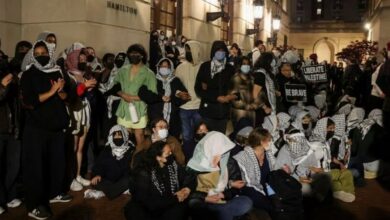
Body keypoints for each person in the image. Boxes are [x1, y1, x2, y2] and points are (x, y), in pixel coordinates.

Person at [20, 40, 72, 219]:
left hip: (56, 129)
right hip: (37, 130)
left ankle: (54, 193)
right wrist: (52, 91)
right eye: (38, 53)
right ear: (33, 56)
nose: (41, 55)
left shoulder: (57, 71)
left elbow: (67, 97)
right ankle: (34, 206)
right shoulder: (29, 75)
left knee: (56, 164)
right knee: (36, 169)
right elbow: (30, 101)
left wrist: (62, 93)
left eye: (44, 52)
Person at [187, 131, 253, 220]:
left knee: (246, 202)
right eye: (216, 152)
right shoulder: (196, 164)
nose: (219, 157)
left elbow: (235, 189)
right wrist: (205, 197)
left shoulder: (230, 162)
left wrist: (224, 194)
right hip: (204, 201)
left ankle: (219, 212)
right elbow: (188, 190)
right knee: (194, 203)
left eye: (221, 152)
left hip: (223, 199)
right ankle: (221, 212)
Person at [125, 141, 194, 220]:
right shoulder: (144, 172)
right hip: (148, 209)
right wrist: (175, 198)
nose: (171, 155)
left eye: (171, 152)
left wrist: (186, 189)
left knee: (181, 208)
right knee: (135, 211)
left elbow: (189, 177)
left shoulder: (173, 165)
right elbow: (147, 201)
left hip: (168, 206)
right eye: (168, 154)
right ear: (158, 157)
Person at [66, 49, 97, 191]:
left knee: (80, 148)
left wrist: (90, 90)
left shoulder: (85, 75)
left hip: (85, 111)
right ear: (73, 59)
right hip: (74, 112)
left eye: (85, 59)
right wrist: (84, 87)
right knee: (72, 147)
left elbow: (88, 96)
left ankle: (77, 175)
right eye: (81, 59)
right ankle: (70, 177)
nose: (83, 61)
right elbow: (71, 94)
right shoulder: (68, 76)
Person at [114, 44, 157, 147]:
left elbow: (152, 94)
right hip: (124, 108)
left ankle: (139, 158)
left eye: (136, 53)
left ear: (142, 55)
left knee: (139, 136)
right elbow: (115, 86)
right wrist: (123, 95)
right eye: (131, 53)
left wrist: (132, 97)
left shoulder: (149, 73)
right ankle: (125, 159)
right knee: (123, 136)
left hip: (139, 108)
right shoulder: (123, 70)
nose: (133, 55)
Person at [310, 115, 356, 202]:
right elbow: (308, 165)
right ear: (323, 128)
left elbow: (329, 157)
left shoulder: (324, 140)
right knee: (348, 173)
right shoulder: (315, 144)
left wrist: (340, 163)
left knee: (342, 176)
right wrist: (321, 171)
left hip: (327, 170)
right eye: (330, 128)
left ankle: (340, 191)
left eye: (333, 128)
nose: (333, 131)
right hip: (320, 174)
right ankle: (347, 191)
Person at [140, 58, 189, 138]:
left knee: (172, 140)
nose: (164, 68)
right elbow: (144, 93)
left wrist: (172, 99)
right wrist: (160, 97)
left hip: (173, 118)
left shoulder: (176, 81)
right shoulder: (152, 79)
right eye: (162, 66)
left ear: (171, 68)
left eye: (166, 66)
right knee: (156, 140)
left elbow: (185, 97)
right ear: (158, 68)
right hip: (155, 116)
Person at [195, 40, 236, 133]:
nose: (220, 53)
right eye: (218, 50)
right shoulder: (205, 67)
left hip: (223, 112)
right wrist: (216, 97)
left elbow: (234, 87)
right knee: (207, 138)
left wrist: (229, 97)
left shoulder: (230, 68)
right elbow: (198, 89)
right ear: (213, 52)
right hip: (208, 111)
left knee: (219, 139)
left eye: (222, 50)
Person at [232, 128, 276, 212]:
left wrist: (269, 151)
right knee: (270, 204)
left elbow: (274, 169)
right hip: (250, 188)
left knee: (278, 199)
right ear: (262, 142)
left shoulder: (267, 153)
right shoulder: (243, 157)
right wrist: (264, 192)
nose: (271, 142)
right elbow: (249, 182)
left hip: (266, 186)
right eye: (269, 140)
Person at [85, 125, 134, 200]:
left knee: (129, 180)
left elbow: (130, 169)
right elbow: (99, 165)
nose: (117, 138)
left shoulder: (131, 150)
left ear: (125, 136)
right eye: (115, 135)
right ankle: (116, 190)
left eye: (120, 135)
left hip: (122, 180)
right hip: (108, 180)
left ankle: (106, 192)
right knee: (95, 181)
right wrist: (98, 174)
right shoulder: (107, 150)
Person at [0, 51, 23, 214]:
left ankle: (10, 195)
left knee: (13, 164)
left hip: (12, 127)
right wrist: (1, 87)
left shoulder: (10, 74)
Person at [175, 40, 203, 160]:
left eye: (190, 50)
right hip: (184, 107)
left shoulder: (204, 67)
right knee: (186, 136)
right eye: (186, 51)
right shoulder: (180, 67)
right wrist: (180, 93)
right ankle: (188, 159)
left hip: (199, 107)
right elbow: (175, 85)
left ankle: (199, 158)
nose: (188, 53)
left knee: (200, 135)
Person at [229, 56, 256, 128]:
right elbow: (233, 97)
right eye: (244, 64)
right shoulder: (235, 78)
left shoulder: (252, 78)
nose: (246, 66)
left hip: (251, 112)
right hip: (239, 112)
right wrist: (246, 106)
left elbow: (257, 93)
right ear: (240, 65)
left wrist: (256, 104)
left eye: (248, 64)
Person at [253, 52, 279, 125]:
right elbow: (255, 94)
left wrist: (275, 91)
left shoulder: (266, 73)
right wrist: (264, 107)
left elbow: (265, 88)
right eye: (272, 60)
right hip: (261, 109)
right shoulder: (260, 74)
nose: (274, 62)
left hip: (266, 108)